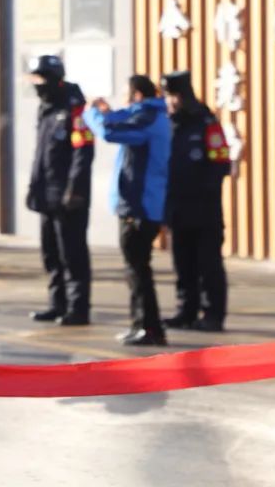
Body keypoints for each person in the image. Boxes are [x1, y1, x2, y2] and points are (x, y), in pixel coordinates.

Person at [84, 75, 170, 347]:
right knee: (135, 268)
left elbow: (111, 132)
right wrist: (104, 112)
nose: (122, 99)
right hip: (137, 203)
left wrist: (92, 115)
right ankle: (141, 324)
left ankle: (149, 327)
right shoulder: (147, 113)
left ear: (137, 95)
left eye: (125, 93)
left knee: (137, 268)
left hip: (141, 205)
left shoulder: (148, 118)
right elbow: (119, 119)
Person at [24, 55, 94, 326]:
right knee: (51, 254)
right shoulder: (46, 108)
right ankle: (57, 304)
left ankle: (78, 308)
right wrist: (34, 187)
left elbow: (82, 153)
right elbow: (41, 155)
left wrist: (74, 190)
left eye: (40, 79)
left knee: (72, 254)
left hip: (68, 197)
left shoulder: (75, 110)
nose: (37, 85)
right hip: (47, 194)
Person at [160, 71, 231, 332]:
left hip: (204, 207)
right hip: (177, 206)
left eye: (174, 96)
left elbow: (221, 160)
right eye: (168, 96)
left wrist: (205, 189)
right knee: (182, 263)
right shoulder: (167, 123)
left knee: (208, 263)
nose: (171, 101)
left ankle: (213, 313)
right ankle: (186, 310)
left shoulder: (205, 121)